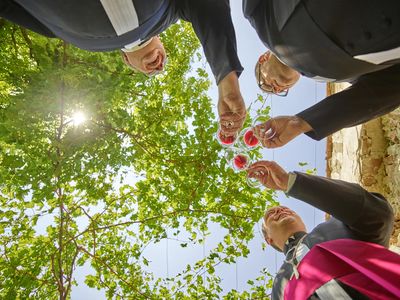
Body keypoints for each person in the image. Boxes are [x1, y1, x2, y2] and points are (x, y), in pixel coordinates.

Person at [0, 0, 246, 137]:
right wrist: (227, 79)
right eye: (164, 62)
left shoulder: (67, 36)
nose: (158, 67)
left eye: (152, 73)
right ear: (161, 40)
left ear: (126, 61)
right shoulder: (171, 10)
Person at [242, 0, 400, 148]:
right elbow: (388, 89)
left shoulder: (260, 16)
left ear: (263, 59)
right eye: (280, 91)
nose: (276, 89)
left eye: (265, 83)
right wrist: (300, 123)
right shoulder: (345, 77)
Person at [246, 160, 399, 299]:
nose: (279, 210)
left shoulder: (339, 224)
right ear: (269, 239)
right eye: (270, 214)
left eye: (284, 208)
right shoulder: (277, 288)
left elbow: (378, 214)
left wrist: (290, 183)